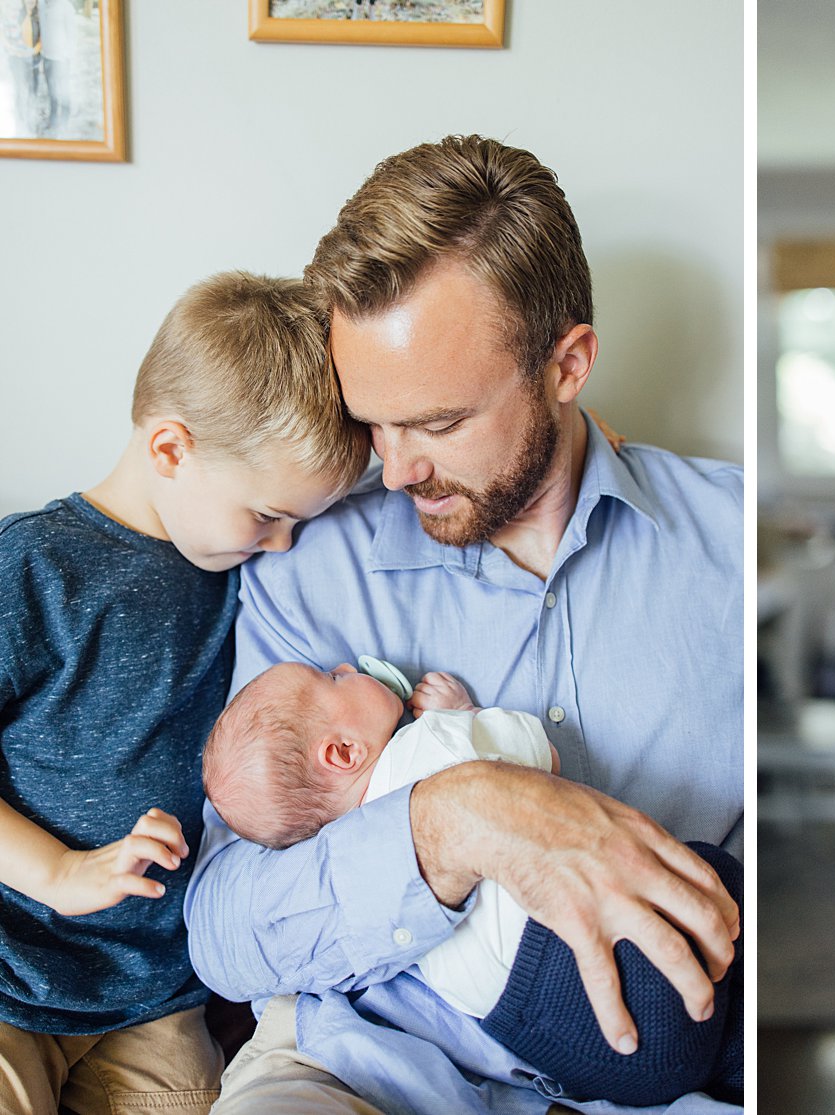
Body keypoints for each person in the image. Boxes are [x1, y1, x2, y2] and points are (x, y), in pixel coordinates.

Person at [184, 135, 744, 1115]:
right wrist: (449, 819)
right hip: (361, 1066)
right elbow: (223, 929)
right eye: (375, 423)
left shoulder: (731, 542)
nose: (394, 471)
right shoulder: (312, 563)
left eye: (437, 423)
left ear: (566, 365)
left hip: (659, 1077)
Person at [0, 271, 367, 1115]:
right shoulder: (36, 566)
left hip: (152, 1002)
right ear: (170, 449)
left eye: (299, 525)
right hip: (13, 970)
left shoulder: (241, 573)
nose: (284, 547)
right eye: (268, 516)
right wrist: (56, 871)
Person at [201, 660, 743, 1107]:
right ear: (343, 752)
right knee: (706, 877)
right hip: (606, 961)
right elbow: (544, 757)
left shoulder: (343, 850)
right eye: (334, 680)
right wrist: (465, 713)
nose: (345, 665)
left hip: (556, 1039)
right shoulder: (431, 744)